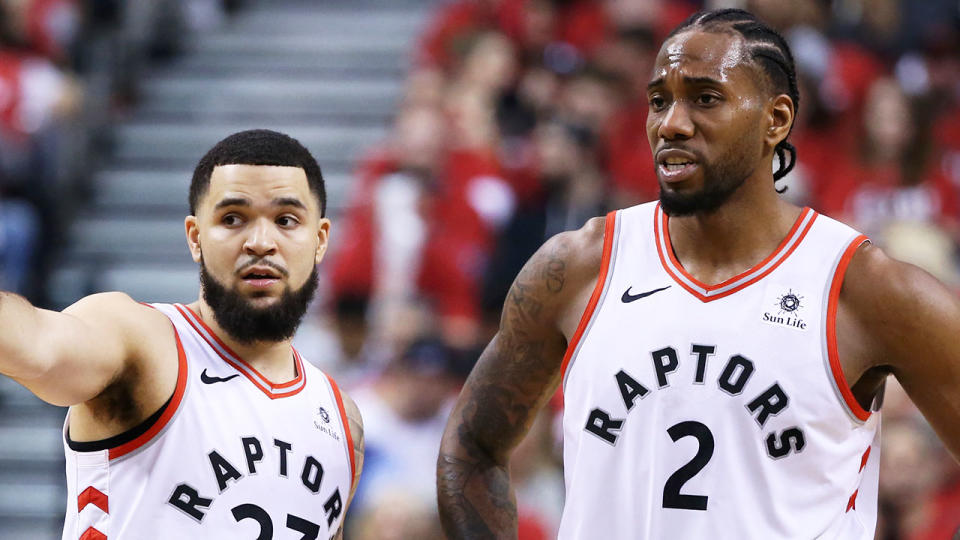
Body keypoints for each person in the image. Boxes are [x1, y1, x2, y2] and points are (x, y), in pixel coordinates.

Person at [437, 9, 960, 539]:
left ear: (776, 120)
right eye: (659, 100)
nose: (671, 124)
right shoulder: (577, 267)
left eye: (705, 99)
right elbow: (472, 447)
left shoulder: (864, 289)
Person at [0, 129, 364, 538]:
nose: (261, 242)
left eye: (286, 220)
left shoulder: (341, 419)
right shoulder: (142, 342)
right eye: (232, 219)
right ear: (195, 238)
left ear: (319, 240)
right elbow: (35, 344)